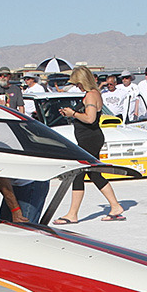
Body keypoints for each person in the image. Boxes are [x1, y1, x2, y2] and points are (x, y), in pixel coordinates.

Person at [54, 66, 126, 223]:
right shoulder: (93, 94)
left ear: (83, 80)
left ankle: (73, 214)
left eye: (78, 83)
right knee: (93, 174)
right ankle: (115, 206)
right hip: (89, 138)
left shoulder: (91, 95)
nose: (77, 86)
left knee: (79, 174)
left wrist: (73, 113)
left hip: (90, 139)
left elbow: (90, 118)